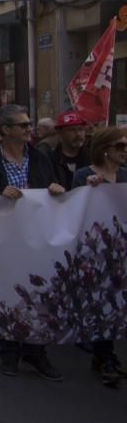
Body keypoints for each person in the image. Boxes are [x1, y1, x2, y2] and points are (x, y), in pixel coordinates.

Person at [0, 104, 66, 381]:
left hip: (37, 236)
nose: (29, 129)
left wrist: (55, 189)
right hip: (3, 238)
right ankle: (10, 351)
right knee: (8, 293)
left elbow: (56, 188)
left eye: (29, 124)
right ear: (5, 130)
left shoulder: (40, 159)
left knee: (40, 291)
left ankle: (37, 352)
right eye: (23, 125)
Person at [71, 126, 127, 388]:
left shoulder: (125, 176)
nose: (124, 152)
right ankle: (105, 357)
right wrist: (88, 190)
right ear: (106, 149)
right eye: (120, 147)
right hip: (94, 251)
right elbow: (72, 210)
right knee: (102, 301)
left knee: (117, 303)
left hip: (121, 249)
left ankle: (105, 354)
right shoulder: (84, 175)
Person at [46, 111, 90, 190]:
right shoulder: (49, 159)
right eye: (72, 130)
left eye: (81, 129)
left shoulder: (93, 157)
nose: (78, 134)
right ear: (60, 133)